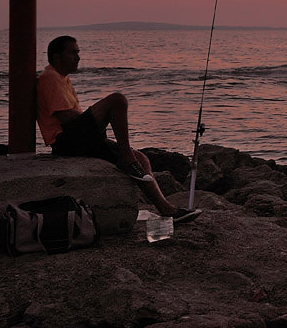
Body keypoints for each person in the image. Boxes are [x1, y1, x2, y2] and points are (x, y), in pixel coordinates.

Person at [36, 35, 199, 224]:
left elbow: (73, 116)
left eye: (78, 52)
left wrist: (95, 120)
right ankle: (126, 155)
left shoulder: (63, 78)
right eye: (72, 52)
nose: (78, 57)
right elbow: (64, 117)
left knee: (142, 158)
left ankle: (166, 209)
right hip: (65, 142)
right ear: (57, 56)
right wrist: (98, 117)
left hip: (77, 138)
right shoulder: (49, 78)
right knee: (117, 100)